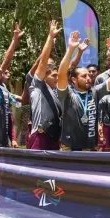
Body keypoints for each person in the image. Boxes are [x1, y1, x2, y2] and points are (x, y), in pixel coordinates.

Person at [57, 32, 110, 151]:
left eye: (89, 76)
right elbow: (61, 75)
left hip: (90, 148)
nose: (89, 78)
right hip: (69, 149)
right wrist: (70, 49)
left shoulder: (95, 92)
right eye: (84, 76)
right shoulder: (67, 94)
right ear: (74, 79)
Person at [27, 21, 63, 150]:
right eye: (53, 75)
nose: (57, 78)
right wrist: (51, 37)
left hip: (54, 138)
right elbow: (42, 62)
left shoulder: (56, 93)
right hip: (40, 137)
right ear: (44, 76)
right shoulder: (37, 86)